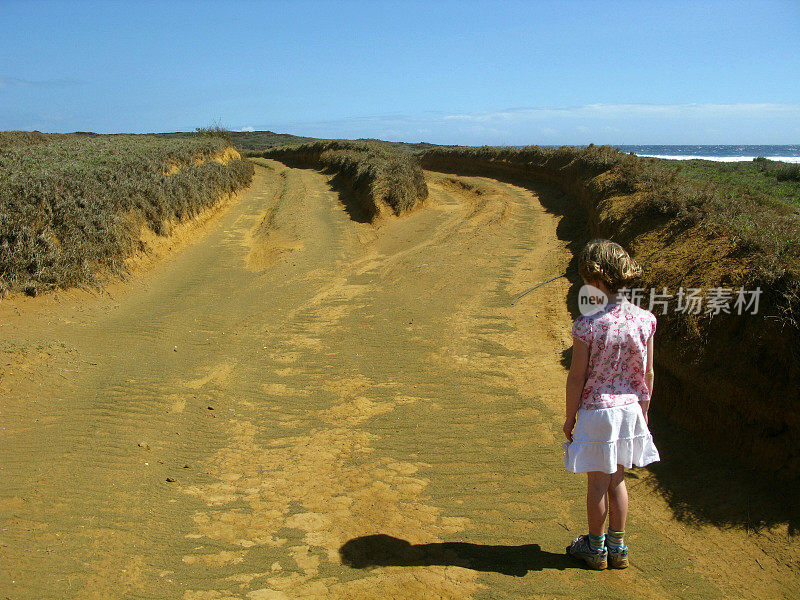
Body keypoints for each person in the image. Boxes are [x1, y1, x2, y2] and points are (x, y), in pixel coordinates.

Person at [562, 239, 660, 570]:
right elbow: (647, 372)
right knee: (617, 478)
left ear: (595, 279)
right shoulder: (645, 320)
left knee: (597, 483)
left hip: (597, 411)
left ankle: (595, 547)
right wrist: (643, 411)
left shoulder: (587, 324)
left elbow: (577, 377)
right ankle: (618, 549)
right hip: (630, 410)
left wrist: (569, 416)